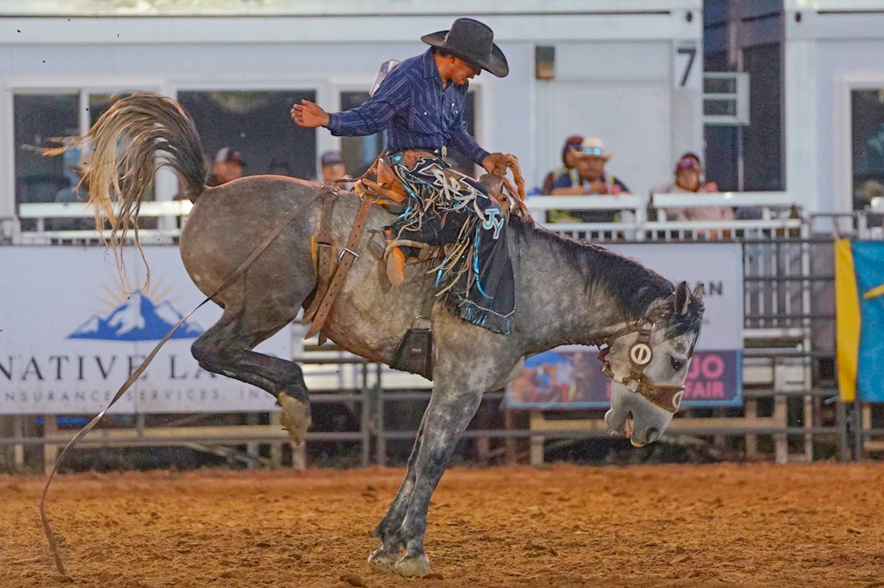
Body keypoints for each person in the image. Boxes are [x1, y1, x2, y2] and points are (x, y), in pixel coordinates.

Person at [291, 17, 516, 334]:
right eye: (475, 65)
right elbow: (371, 117)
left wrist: (484, 157)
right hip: (407, 163)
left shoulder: (458, 85)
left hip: (435, 164)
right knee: (487, 210)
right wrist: (328, 119)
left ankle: (426, 260)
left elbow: (454, 130)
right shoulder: (408, 77)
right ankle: (471, 301)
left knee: (491, 206)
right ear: (452, 57)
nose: (477, 72)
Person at [549, 137, 630, 223]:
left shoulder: (610, 180)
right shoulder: (568, 177)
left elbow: (631, 197)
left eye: (596, 160)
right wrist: (588, 188)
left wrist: (616, 194)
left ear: (603, 163)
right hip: (572, 234)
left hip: (607, 234)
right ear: (577, 162)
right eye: (585, 160)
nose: (591, 164)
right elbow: (556, 193)